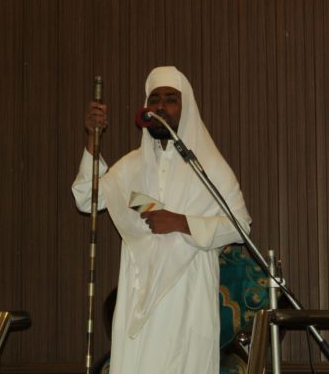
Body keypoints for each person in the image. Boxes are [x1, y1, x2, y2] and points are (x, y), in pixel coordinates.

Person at [72, 66, 251, 373]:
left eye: (170, 99)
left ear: (186, 108)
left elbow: (240, 226)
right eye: (154, 99)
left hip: (189, 302)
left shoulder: (208, 167)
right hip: (139, 304)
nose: (160, 107)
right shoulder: (132, 168)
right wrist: (92, 137)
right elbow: (88, 197)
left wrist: (182, 222)